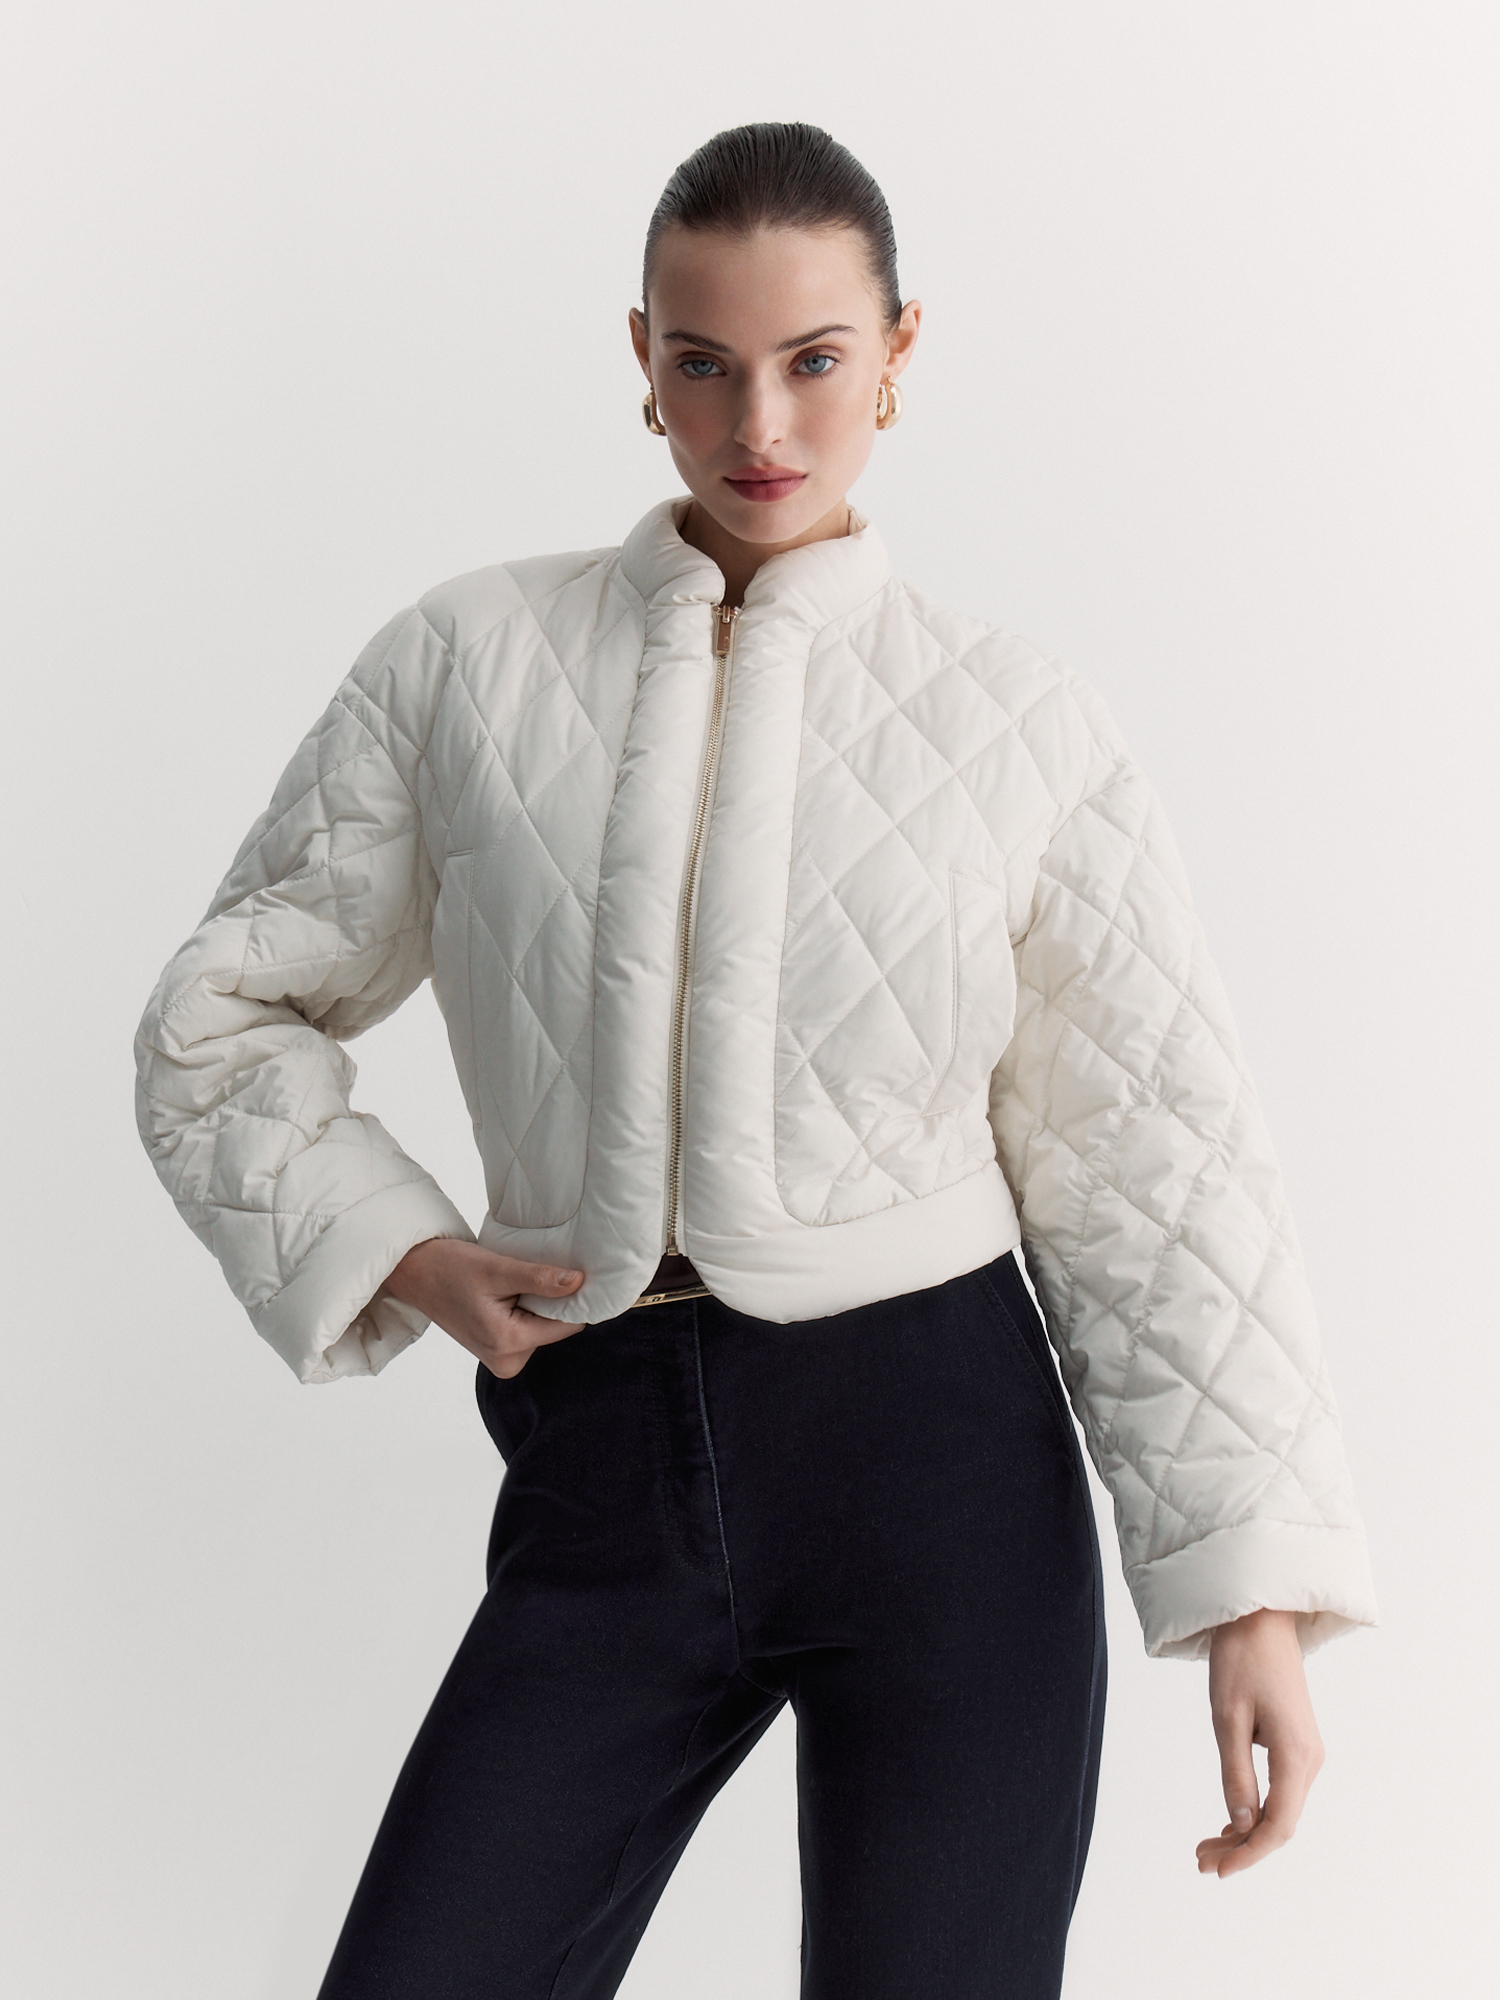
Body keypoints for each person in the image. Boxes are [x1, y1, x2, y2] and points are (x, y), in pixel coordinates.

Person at [134, 122, 1377, 2000]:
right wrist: (400, 1246)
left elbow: (1156, 1165)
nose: (760, 422)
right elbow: (221, 1014)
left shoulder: (1020, 721)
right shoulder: (464, 662)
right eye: (706, 362)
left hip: (943, 1476)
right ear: (641, 357)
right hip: (604, 1461)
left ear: (900, 352)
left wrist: (1252, 1596)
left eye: (815, 359)